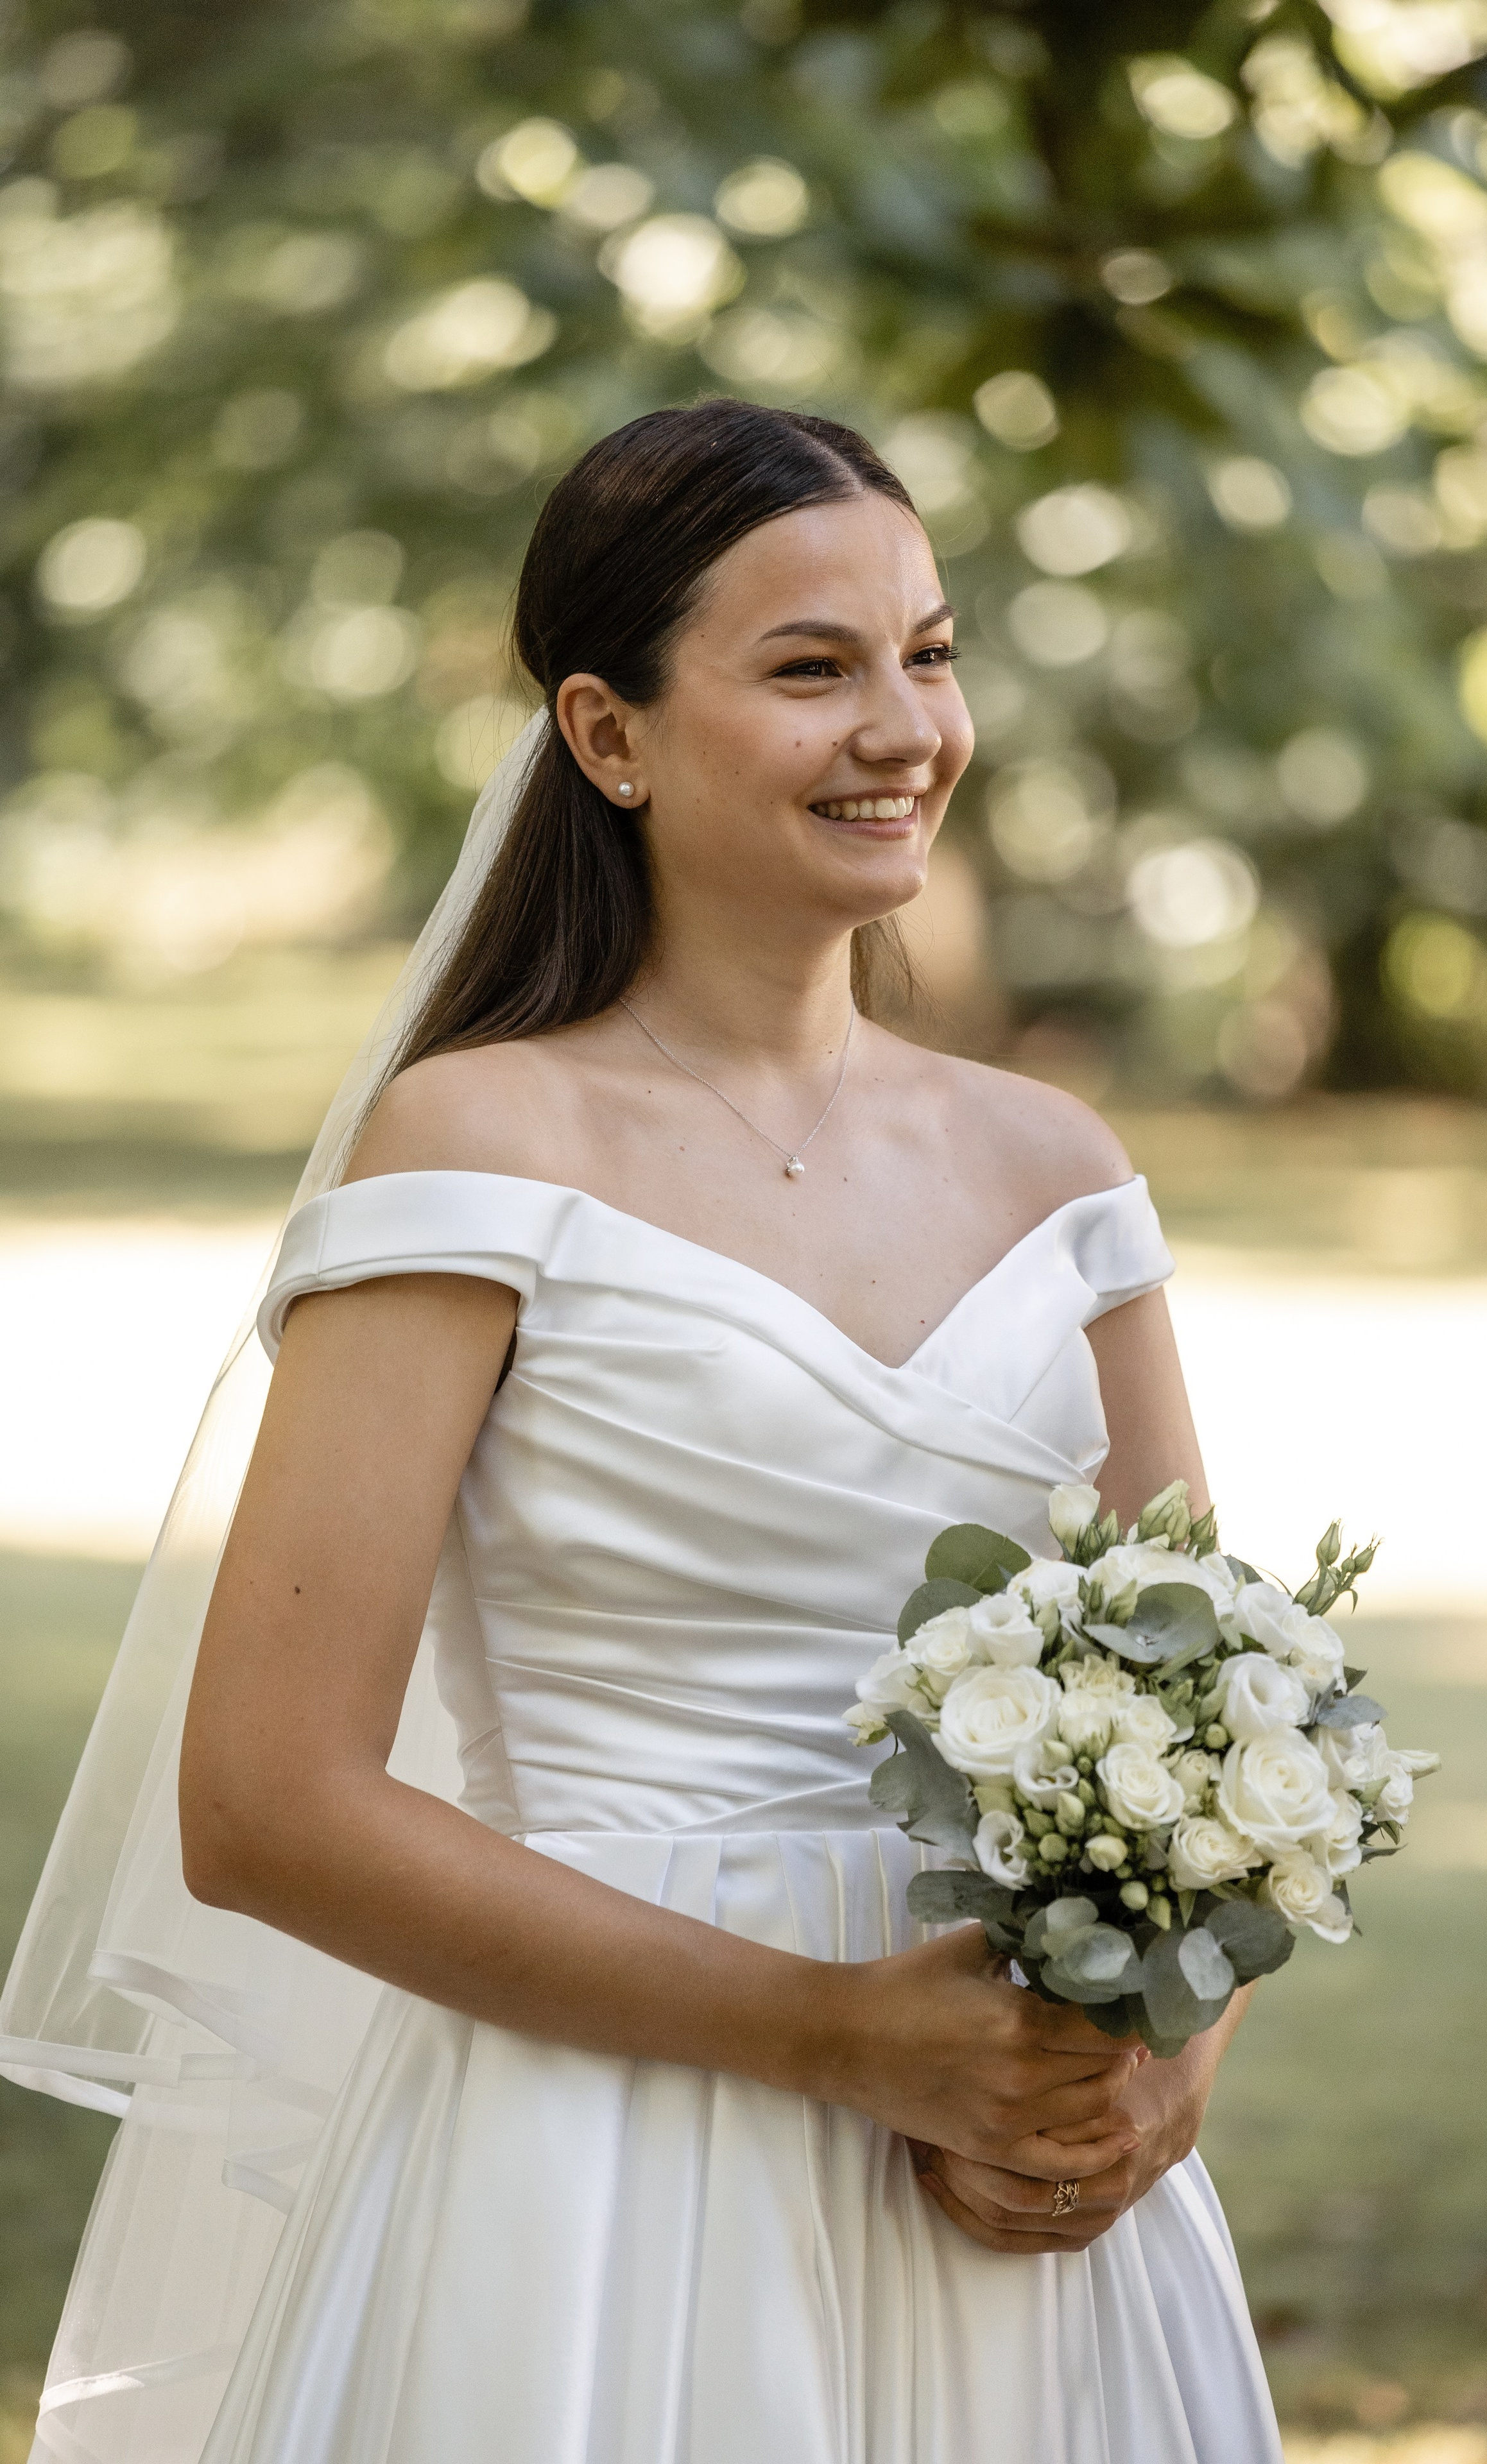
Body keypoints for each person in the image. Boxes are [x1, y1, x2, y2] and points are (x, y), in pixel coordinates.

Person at [8, 400, 1282, 2463]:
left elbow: (1232, 1743)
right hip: (596, 2172)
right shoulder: (479, 1147)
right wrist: (839, 2032)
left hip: (1017, 2194)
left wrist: (1164, 2074)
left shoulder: (1062, 1172)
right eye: (812, 668)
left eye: (930, 653)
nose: (904, 727)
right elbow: (260, 1799)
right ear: (608, 736)